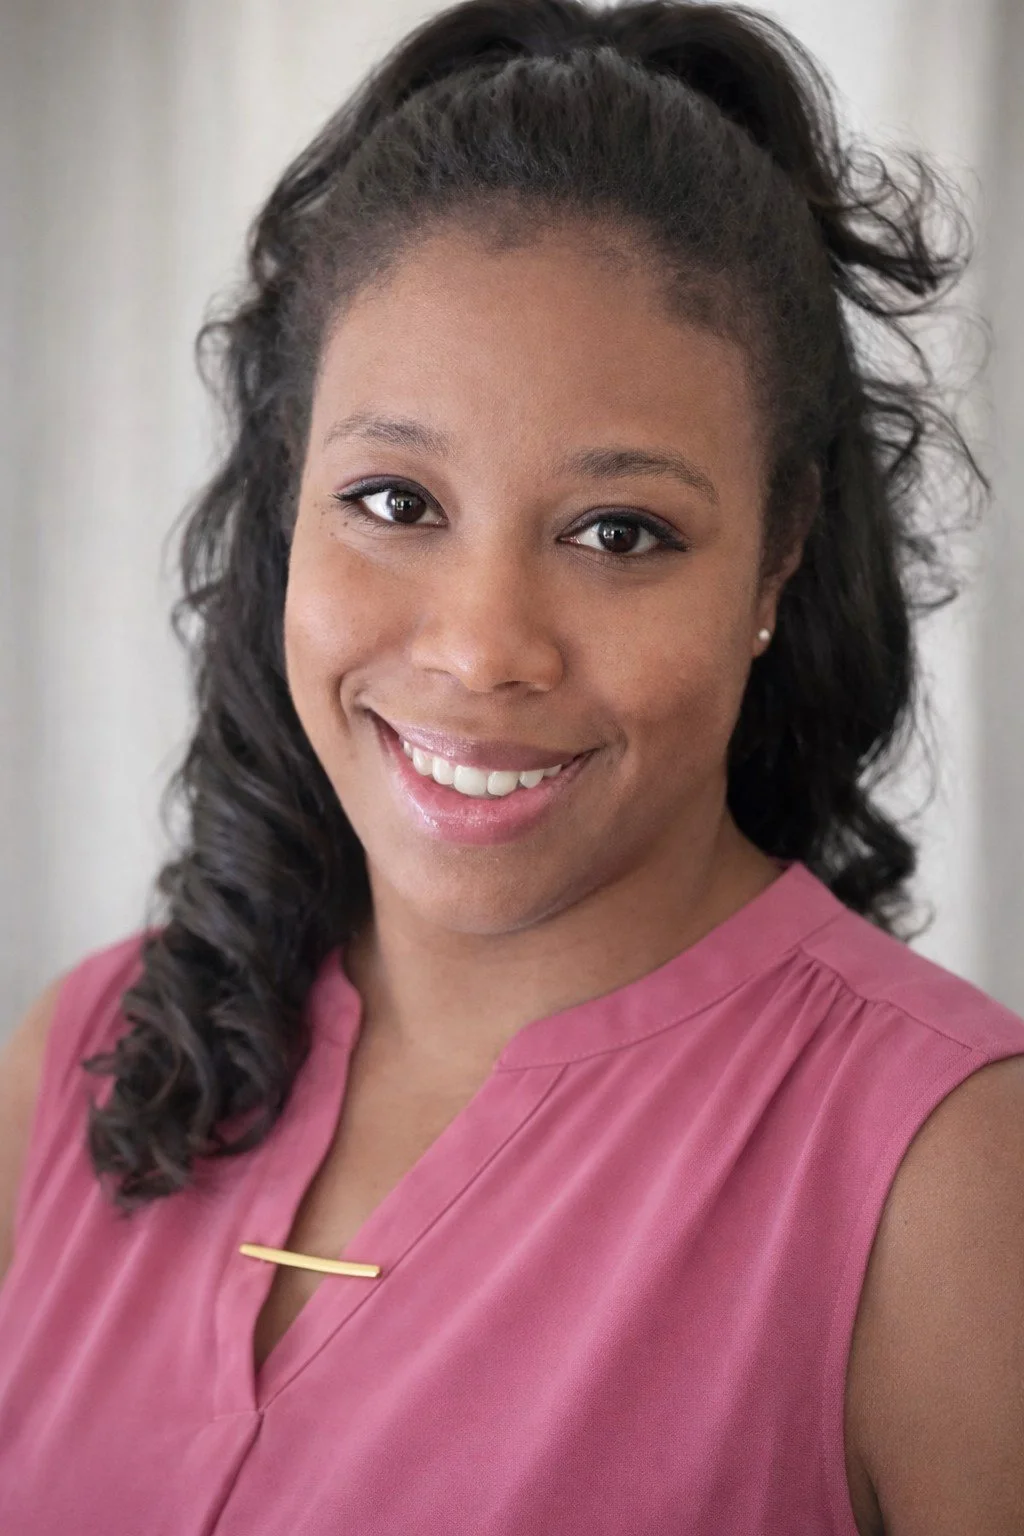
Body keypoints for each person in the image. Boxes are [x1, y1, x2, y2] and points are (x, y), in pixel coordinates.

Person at [1, 0, 1022, 1531]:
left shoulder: (954, 1185)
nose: (484, 651)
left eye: (620, 531)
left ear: (779, 556)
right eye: (394, 501)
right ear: (286, 496)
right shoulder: (78, 1055)